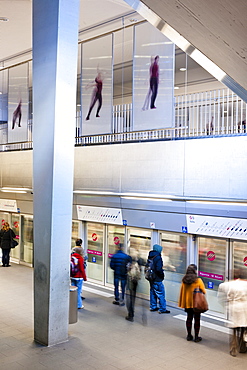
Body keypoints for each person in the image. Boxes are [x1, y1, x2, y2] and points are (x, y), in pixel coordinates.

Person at [218, 271, 247, 356]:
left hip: (234, 308)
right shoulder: (245, 284)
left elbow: (221, 288)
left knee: (234, 329)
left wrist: (226, 304)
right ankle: (242, 347)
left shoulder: (231, 284)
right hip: (244, 308)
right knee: (243, 328)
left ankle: (233, 348)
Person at [178, 264, 206, 342]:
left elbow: (182, 292)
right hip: (196, 303)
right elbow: (204, 291)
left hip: (187, 303)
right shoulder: (198, 280)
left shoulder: (184, 280)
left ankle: (189, 335)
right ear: (195, 271)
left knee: (189, 318)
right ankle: (196, 337)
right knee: (197, 320)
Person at [147, 244, 170, 314]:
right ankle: (162, 308)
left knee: (152, 292)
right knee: (160, 293)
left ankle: (153, 306)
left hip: (151, 277)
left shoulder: (150, 256)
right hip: (157, 278)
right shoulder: (158, 257)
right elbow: (158, 269)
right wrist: (162, 276)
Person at [125, 257, 141, 322]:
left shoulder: (133, 266)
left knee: (129, 299)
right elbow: (138, 276)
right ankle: (131, 313)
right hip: (135, 283)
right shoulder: (137, 265)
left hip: (131, 283)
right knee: (133, 299)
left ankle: (130, 315)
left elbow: (131, 275)